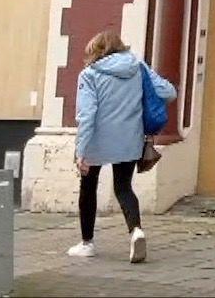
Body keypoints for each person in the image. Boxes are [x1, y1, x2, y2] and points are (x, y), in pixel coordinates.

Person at [69, 30, 175, 263]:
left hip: (97, 140)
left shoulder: (89, 75)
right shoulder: (138, 67)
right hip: (130, 139)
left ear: (95, 51)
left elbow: (87, 115)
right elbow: (168, 92)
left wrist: (81, 151)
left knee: (88, 186)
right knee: (123, 187)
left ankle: (87, 243)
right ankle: (136, 231)